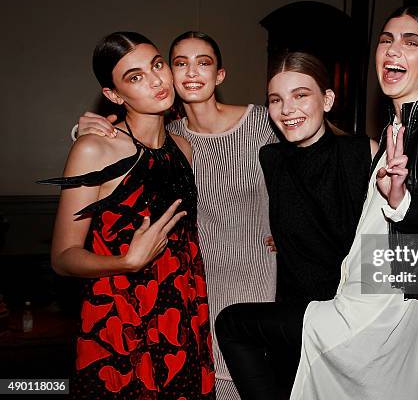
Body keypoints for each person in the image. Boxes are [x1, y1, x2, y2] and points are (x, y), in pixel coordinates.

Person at [288, 6, 418, 399]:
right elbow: (370, 227)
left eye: (411, 43)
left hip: (395, 309)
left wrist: (405, 204)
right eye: (386, 40)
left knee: (239, 327)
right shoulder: (392, 129)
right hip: (361, 299)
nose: (393, 49)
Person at [74, 31, 277, 399]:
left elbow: (314, 161)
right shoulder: (174, 139)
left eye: (204, 63)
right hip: (189, 295)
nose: (190, 73)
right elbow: (119, 161)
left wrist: (291, 228)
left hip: (254, 282)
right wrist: (83, 131)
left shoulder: (264, 123)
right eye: (180, 62)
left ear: (221, 75)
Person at [43, 32, 215, 398]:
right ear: (114, 95)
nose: (156, 81)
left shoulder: (183, 146)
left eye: (157, 65)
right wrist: (126, 260)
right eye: (134, 77)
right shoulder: (94, 148)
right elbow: (62, 257)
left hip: (182, 315)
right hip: (121, 320)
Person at [215, 52, 377, 400]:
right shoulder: (270, 159)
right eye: (277, 99)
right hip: (296, 319)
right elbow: (202, 134)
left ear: (327, 100)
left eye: (301, 95)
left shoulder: (362, 153)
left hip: (352, 314)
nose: (287, 108)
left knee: (231, 325)